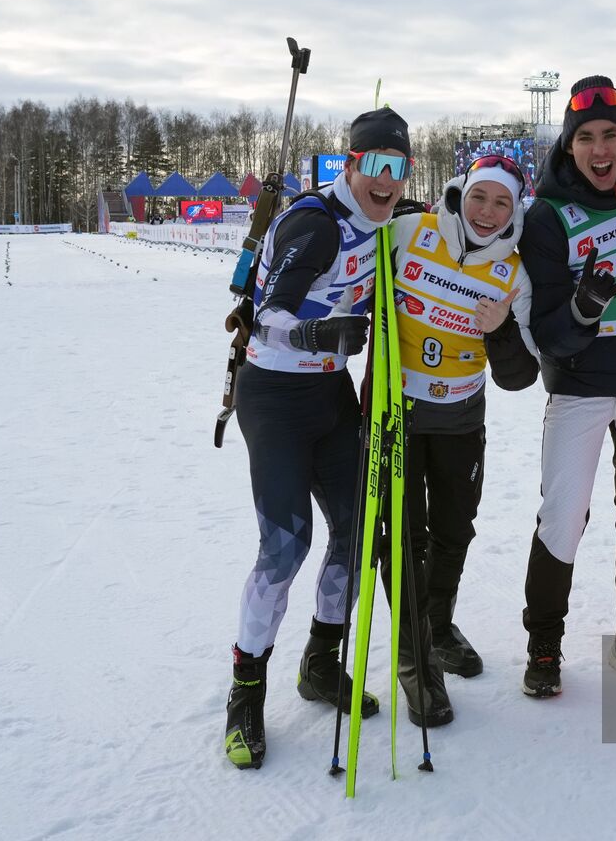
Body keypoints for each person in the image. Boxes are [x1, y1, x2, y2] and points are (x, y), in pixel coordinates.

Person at [224, 107, 412, 770]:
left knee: (359, 533)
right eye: (375, 166)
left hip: (330, 397)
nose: (387, 182)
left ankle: (320, 662)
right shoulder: (317, 224)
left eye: (399, 167)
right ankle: (245, 694)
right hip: (274, 397)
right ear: (351, 164)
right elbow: (271, 309)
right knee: (285, 547)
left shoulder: (384, 221)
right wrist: (318, 333)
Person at [516, 76, 616, 698]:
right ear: (570, 144)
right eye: (586, 137)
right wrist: (584, 310)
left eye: (611, 134)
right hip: (579, 389)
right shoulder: (547, 216)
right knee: (562, 516)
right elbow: (548, 334)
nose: (600, 148)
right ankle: (544, 646)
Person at [383, 154, 539, 725]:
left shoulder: (513, 273)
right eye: (480, 197)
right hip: (396, 412)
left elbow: (520, 377)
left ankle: (437, 623)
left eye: (502, 202)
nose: (488, 212)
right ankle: (414, 660)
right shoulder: (409, 231)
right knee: (403, 538)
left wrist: (499, 332)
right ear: (460, 194)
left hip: (460, 419)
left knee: (453, 531)